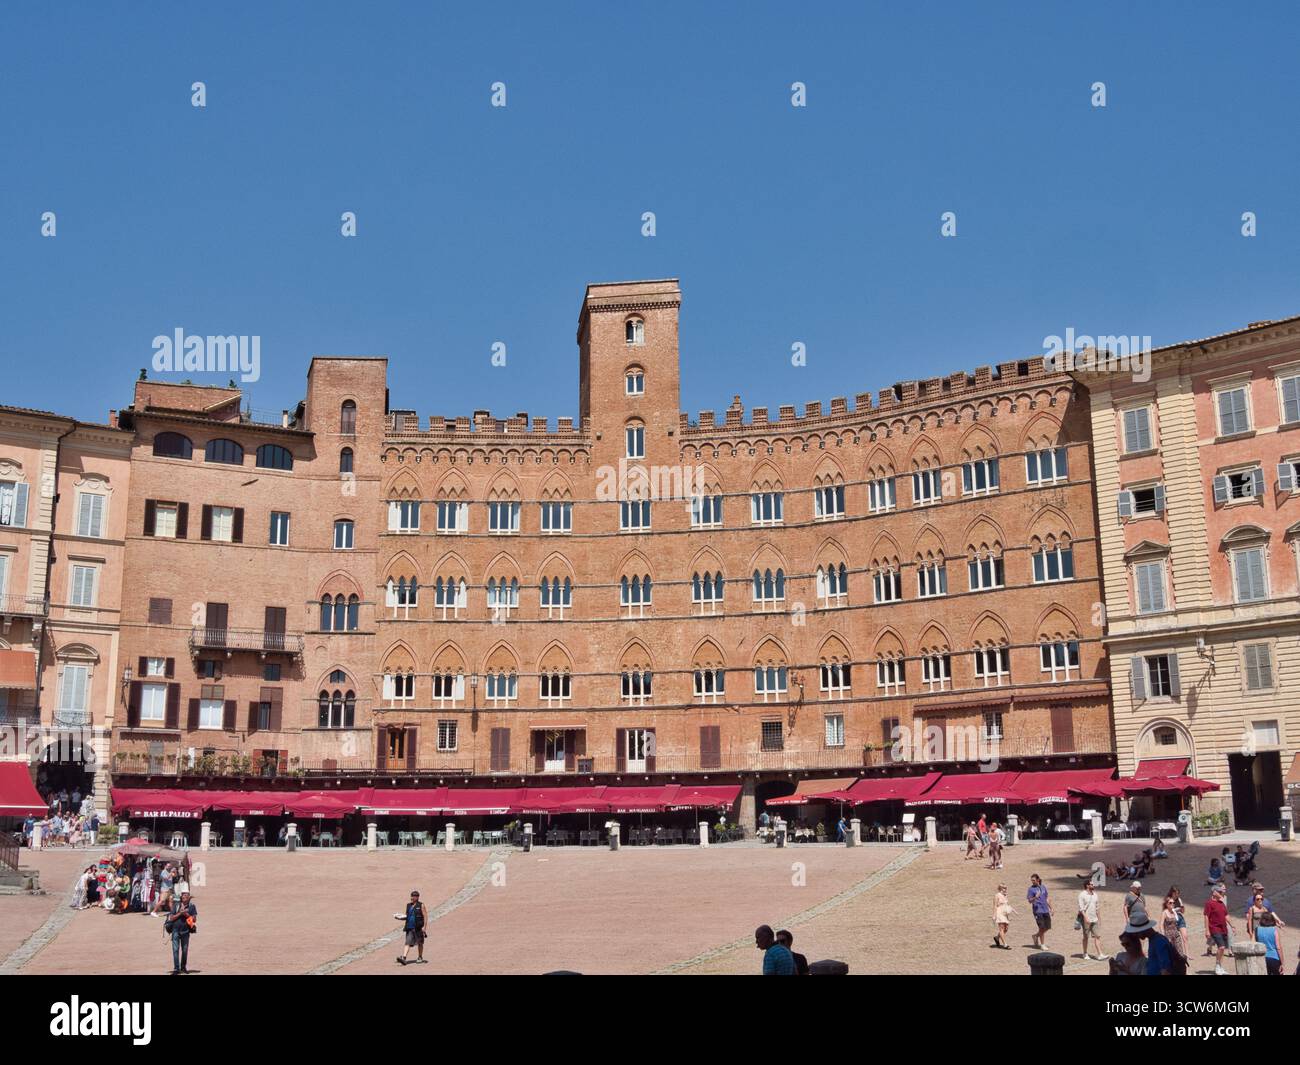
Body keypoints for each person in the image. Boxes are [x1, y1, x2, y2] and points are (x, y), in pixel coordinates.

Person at [164, 890, 197, 975]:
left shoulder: (192, 906)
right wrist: (180, 913)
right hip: (175, 930)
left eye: (185, 896)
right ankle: (176, 969)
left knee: (185, 950)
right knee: (175, 950)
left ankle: (183, 967)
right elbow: (171, 918)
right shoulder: (176, 905)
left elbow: (194, 919)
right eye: (183, 896)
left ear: (189, 897)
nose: (184, 897)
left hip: (186, 931)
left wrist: (185, 914)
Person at [1204, 883, 1233, 976]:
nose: (1221, 893)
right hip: (1214, 928)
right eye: (1219, 891)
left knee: (1223, 949)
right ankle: (1217, 966)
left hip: (1223, 928)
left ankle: (1220, 966)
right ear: (1214, 892)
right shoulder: (1209, 904)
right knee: (1221, 947)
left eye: (1222, 891)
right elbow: (1206, 917)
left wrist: (1232, 926)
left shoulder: (1221, 903)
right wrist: (1207, 930)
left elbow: (1226, 915)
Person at [396, 890, 429, 965]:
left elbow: (425, 916)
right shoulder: (408, 905)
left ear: (417, 897)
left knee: (420, 943)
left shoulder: (421, 905)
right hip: (409, 927)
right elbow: (407, 916)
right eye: (412, 896)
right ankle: (403, 958)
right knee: (407, 942)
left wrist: (424, 927)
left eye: (414, 896)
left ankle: (420, 957)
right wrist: (400, 918)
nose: (412, 897)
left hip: (418, 927)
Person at [1077, 880, 1106, 960]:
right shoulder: (1082, 895)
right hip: (1086, 919)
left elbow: (1097, 907)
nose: (1093, 885)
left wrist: (1099, 919)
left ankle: (1100, 954)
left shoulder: (1095, 895)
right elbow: (1081, 908)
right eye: (1092, 884)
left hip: (1094, 919)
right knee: (1086, 936)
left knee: (1097, 936)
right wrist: (1085, 918)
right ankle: (1085, 953)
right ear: (1087, 885)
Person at [1160, 893, 1187, 967]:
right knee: (1170, 954)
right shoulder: (1164, 912)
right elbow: (1161, 924)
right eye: (1170, 903)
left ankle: (1181, 968)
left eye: (1173, 903)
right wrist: (1163, 935)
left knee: (1180, 953)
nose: (1172, 904)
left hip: (1176, 934)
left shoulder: (1174, 912)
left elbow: (1182, 912)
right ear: (1166, 904)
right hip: (1168, 935)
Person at [1027, 874, 1053, 949]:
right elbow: (1029, 901)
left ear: (1038, 880)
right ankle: (1042, 944)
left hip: (1045, 910)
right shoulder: (1031, 889)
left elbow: (1047, 898)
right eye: (1032, 880)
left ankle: (1036, 936)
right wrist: (1035, 897)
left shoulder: (1043, 887)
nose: (1032, 882)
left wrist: (1051, 908)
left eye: (1034, 880)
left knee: (1048, 927)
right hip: (1038, 911)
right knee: (1041, 927)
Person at [992, 885, 1013, 950]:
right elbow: (995, 905)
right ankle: (1005, 944)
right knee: (1001, 928)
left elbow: (1007, 905)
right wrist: (994, 915)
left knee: (1006, 929)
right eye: (1004, 888)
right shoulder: (997, 895)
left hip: (1005, 913)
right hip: (999, 913)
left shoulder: (1005, 895)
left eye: (1006, 888)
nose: (1005, 889)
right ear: (1000, 888)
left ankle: (997, 937)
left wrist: (1008, 915)